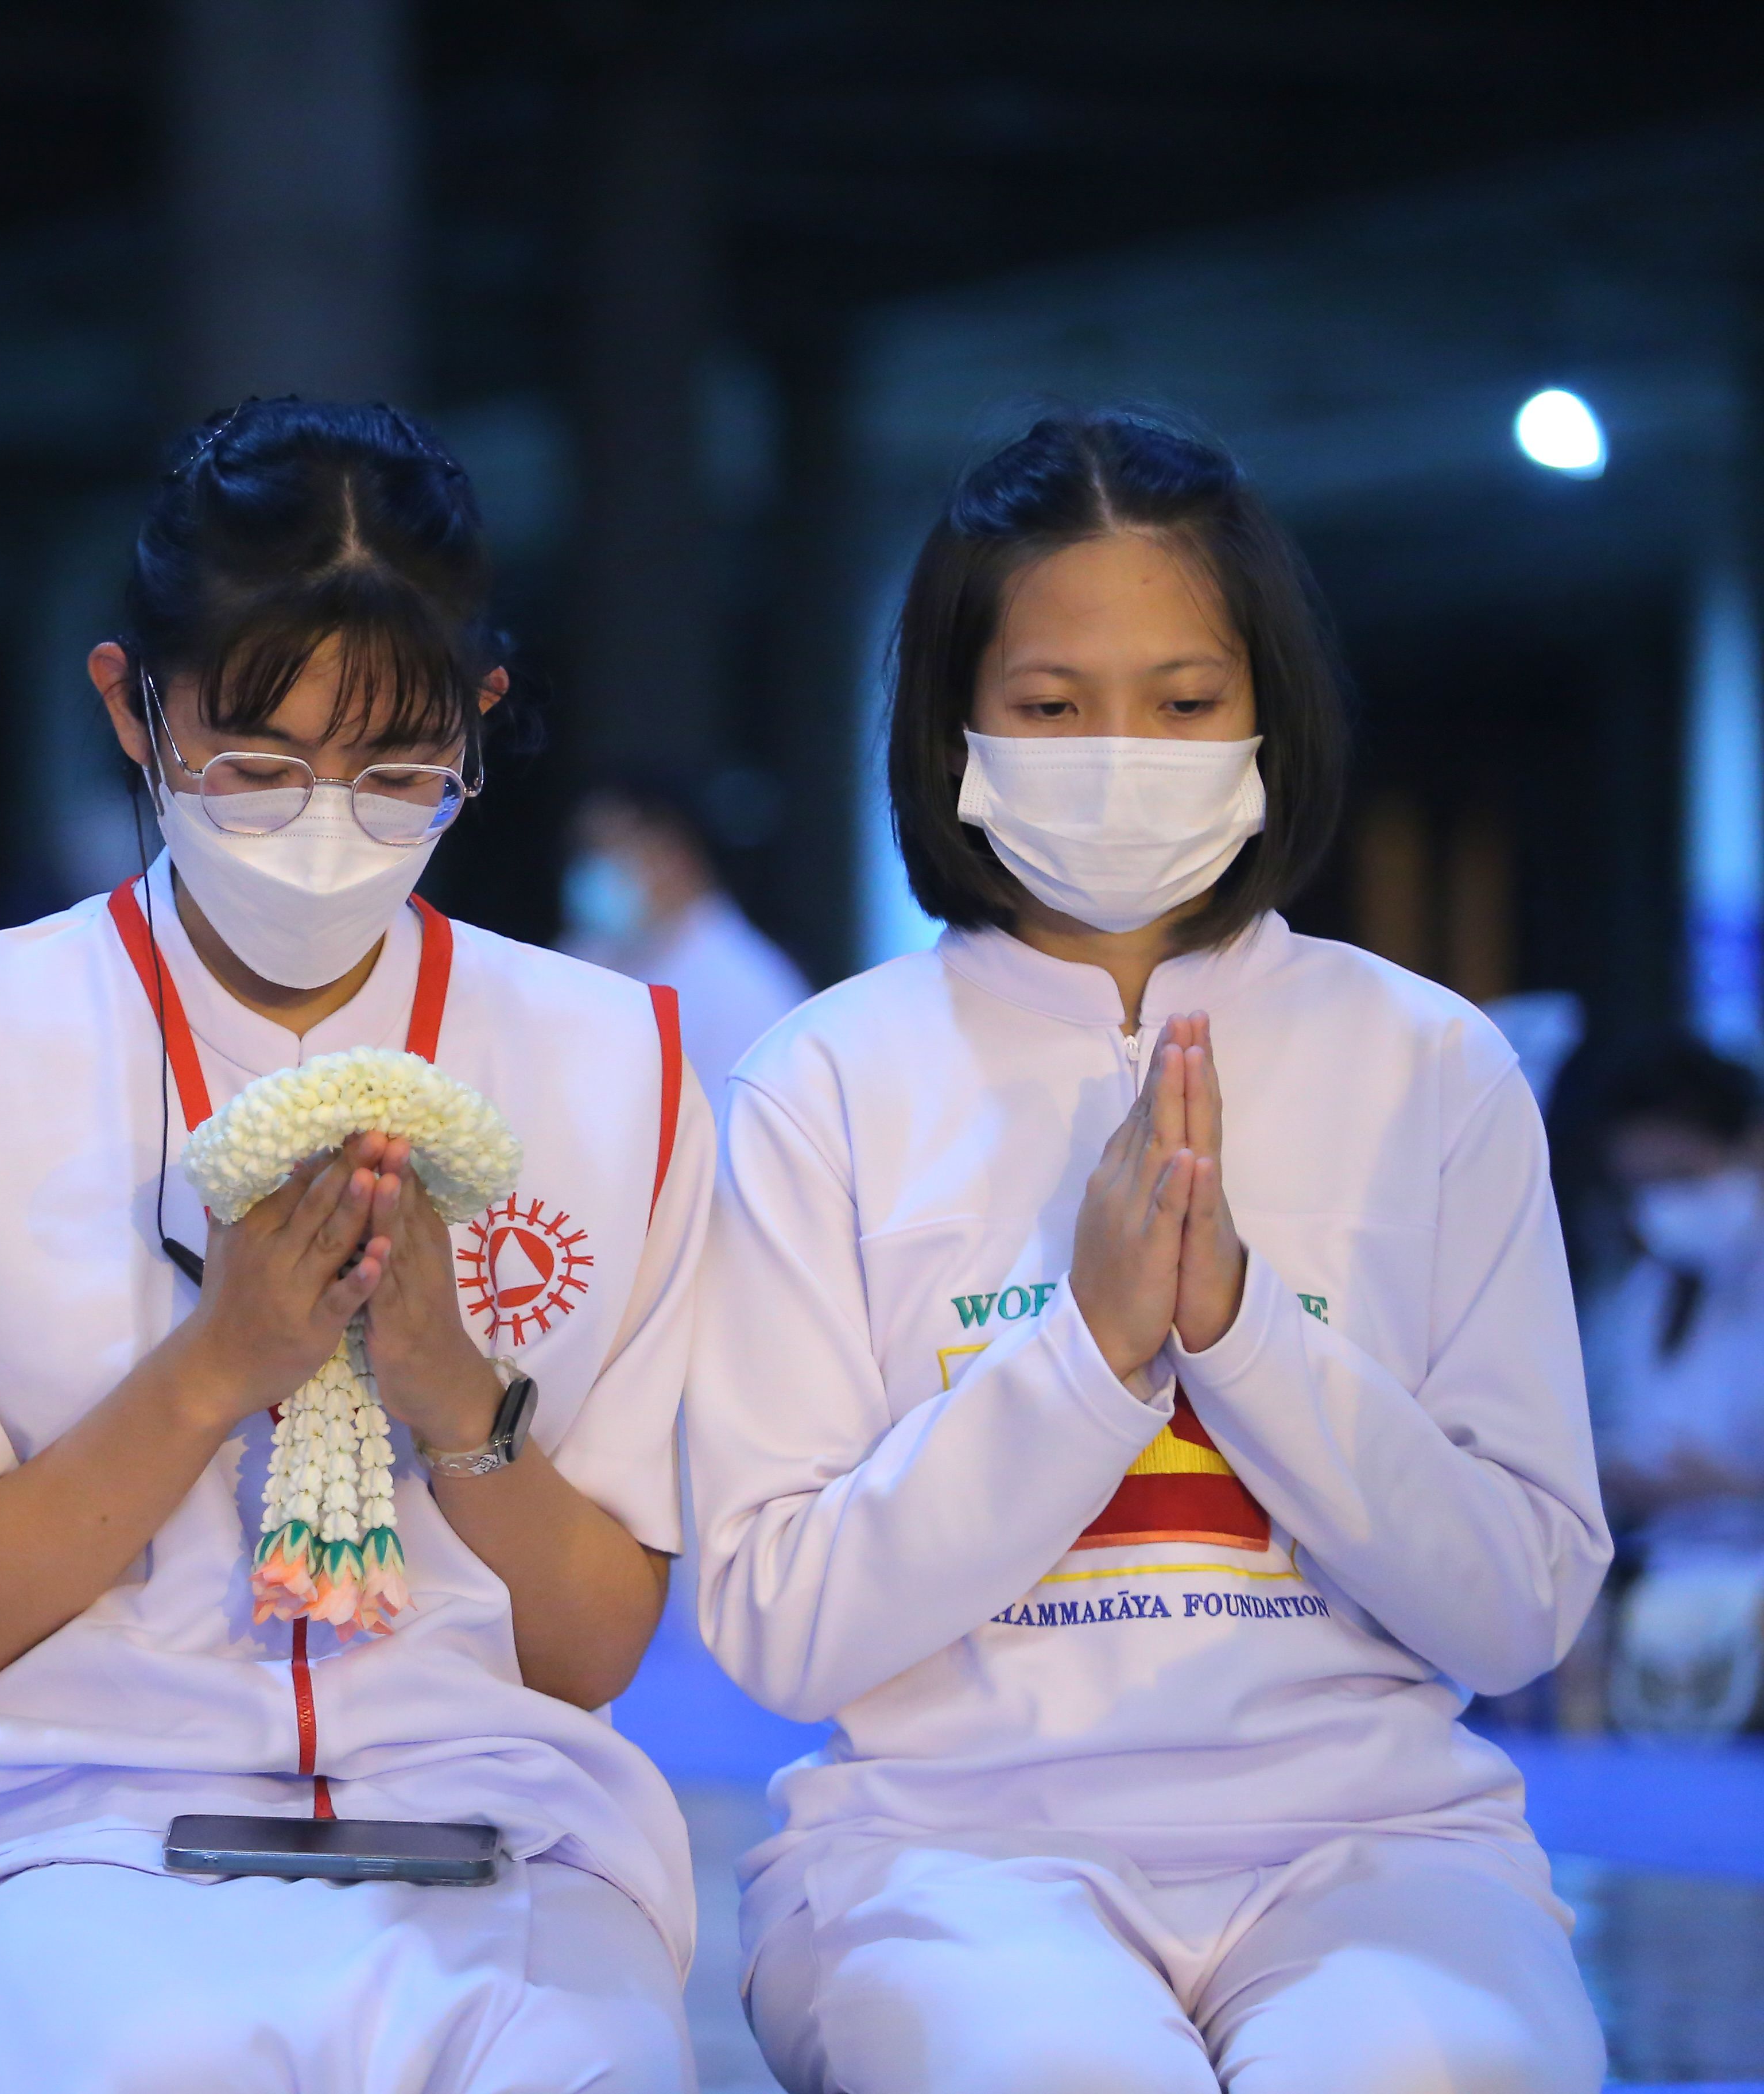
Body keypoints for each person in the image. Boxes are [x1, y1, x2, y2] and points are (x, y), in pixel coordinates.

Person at [687, 410, 1611, 2094]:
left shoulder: (1428, 1064)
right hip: (948, 1854)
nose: (1121, 753)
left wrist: (1242, 1328)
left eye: (1183, 703)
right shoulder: (826, 1080)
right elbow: (778, 1626)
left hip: (1376, 1844)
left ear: (1269, 715)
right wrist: (1087, 1352)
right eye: (1052, 707)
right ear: (956, 726)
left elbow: (1520, 1605)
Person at [0, 397, 710, 2091]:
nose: (323, 823)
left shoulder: (613, 1065)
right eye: (255, 764)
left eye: (396, 771)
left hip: (491, 1837)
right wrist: (218, 1366)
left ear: (480, 718)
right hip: (56, 1837)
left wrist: (454, 1392)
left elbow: (590, 1652)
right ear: (128, 706)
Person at [1583, 1040, 1764, 1732]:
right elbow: (1611, 1428)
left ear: (1749, 1148)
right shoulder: (1644, 1294)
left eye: (1684, 1177)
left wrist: (1736, 1488)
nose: (1666, 1206)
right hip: (1662, 1581)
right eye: (1645, 1188)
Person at [560, 776, 809, 1091]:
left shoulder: (740, 989)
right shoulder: (588, 953)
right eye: (588, 852)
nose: (596, 872)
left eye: (613, 851)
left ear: (674, 854)